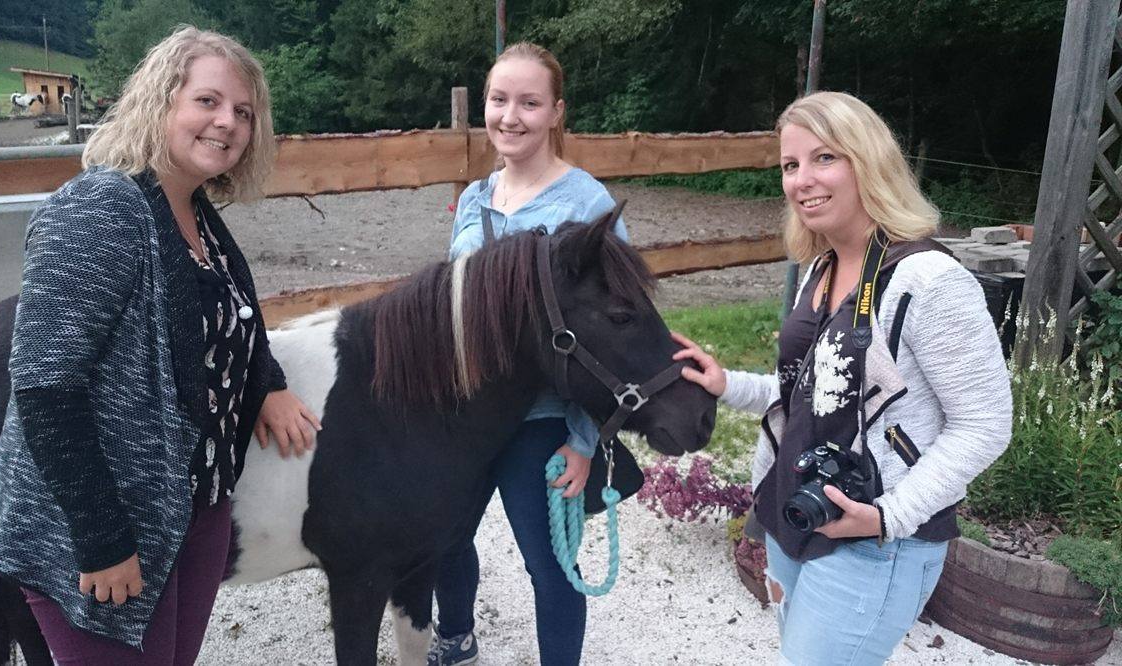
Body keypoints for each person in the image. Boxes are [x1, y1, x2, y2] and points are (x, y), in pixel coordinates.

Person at [0, 26, 321, 664]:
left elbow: (230, 319)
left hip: (191, 512)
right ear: (160, 100)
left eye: (244, 112)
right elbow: (45, 388)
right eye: (208, 101)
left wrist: (267, 383)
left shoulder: (196, 214)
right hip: (108, 523)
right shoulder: (100, 209)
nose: (227, 122)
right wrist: (102, 539)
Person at [673, 91, 1012, 665]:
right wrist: (727, 384)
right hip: (797, 513)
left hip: (873, 543)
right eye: (790, 165)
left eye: (824, 157)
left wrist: (886, 517)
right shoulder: (821, 268)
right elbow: (812, 394)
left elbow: (986, 423)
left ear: (869, 161)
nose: (802, 180)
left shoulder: (930, 281)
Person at [428, 42, 628, 666]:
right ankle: (455, 638)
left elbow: (617, 331)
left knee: (550, 564)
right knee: (444, 538)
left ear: (556, 112)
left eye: (529, 103)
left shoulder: (586, 205)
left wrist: (584, 440)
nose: (510, 116)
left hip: (542, 420)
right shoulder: (473, 199)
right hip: (466, 415)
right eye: (499, 100)